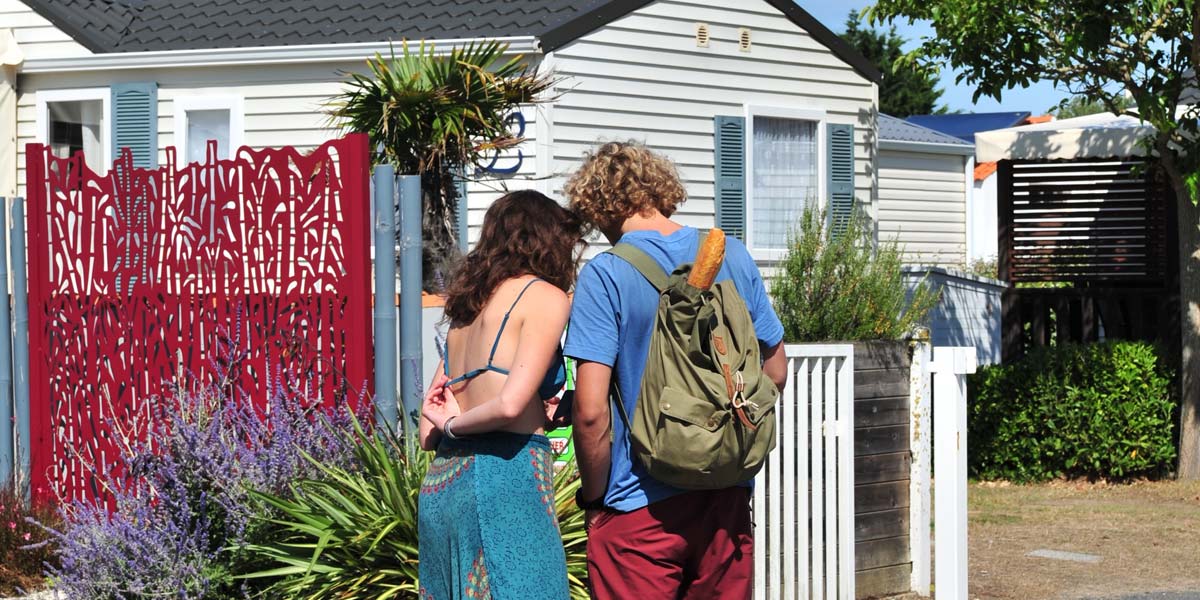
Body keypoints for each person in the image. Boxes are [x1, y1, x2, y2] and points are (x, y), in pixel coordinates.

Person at [564, 141, 789, 599]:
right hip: (725, 496)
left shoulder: (605, 274)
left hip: (638, 506)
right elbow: (776, 370)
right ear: (662, 190)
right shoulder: (731, 254)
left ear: (598, 205)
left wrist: (594, 498)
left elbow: (590, 411)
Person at [419, 189, 584, 600]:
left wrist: (451, 424)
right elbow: (510, 405)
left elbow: (428, 428)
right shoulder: (545, 296)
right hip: (507, 480)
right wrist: (456, 424)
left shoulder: (467, 307)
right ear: (548, 239)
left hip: (443, 484)